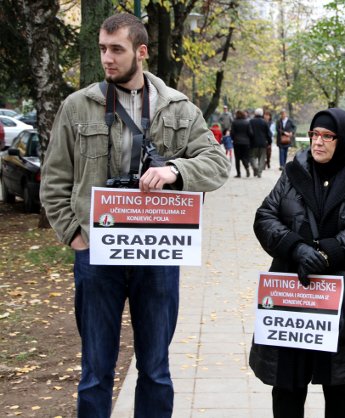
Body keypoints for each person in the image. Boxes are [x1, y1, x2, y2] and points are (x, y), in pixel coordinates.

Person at [40, 13, 230, 418]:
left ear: (140, 52)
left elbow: (216, 165)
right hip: (96, 254)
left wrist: (175, 171)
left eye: (117, 50)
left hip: (157, 255)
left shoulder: (178, 108)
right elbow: (54, 179)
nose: (107, 59)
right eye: (102, 50)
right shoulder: (77, 107)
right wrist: (74, 235)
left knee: (156, 370)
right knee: (95, 371)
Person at [250, 108, 345, 418]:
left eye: (328, 136)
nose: (318, 142)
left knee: (340, 383)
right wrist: (296, 249)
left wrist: (328, 253)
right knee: (287, 382)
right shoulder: (294, 171)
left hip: (343, 295)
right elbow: (265, 217)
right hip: (292, 289)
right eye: (314, 134)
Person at [248, 107, 272, 178]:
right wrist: (269, 142)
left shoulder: (251, 121)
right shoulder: (265, 122)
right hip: (263, 143)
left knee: (252, 157)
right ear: (262, 114)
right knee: (262, 158)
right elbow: (268, 134)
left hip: (253, 143)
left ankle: (255, 168)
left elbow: (248, 132)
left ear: (255, 113)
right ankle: (259, 172)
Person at [230, 109, 252, 178]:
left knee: (237, 158)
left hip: (237, 142)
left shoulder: (234, 122)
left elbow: (232, 133)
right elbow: (250, 133)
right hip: (246, 143)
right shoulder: (247, 122)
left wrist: (233, 139)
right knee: (244, 157)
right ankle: (247, 166)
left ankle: (238, 173)